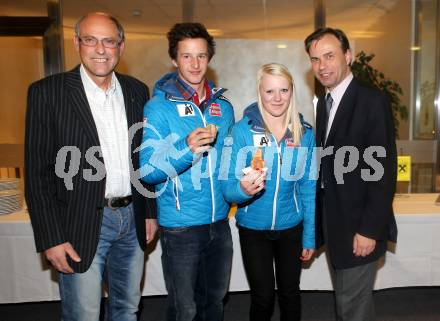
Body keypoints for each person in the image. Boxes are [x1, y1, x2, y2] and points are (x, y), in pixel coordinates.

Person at [25, 12, 157, 321]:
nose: (101, 49)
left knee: (127, 309)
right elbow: (37, 173)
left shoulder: (137, 91)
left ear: (121, 47)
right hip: (79, 224)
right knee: (83, 314)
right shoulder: (47, 93)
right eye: (91, 40)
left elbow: (144, 157)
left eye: (109, 41)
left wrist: (149, 212)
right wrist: (51, 237)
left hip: (131, 219)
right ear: (77, 43)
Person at [139, 23, 235, 321]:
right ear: (174, 59)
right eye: (186, 56)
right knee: (186, 310)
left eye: (201, 56)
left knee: (215, 303)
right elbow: (148, 170)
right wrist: (187, 147)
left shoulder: (224, 106)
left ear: (209, 59)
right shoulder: (158, 107)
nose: (195, 64)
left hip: (219, 223)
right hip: (180, 227)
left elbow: (231, 163)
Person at [304, 28, 397, 321]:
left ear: (348, 56)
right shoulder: (326, 105)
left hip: (360, 228)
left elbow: (382, 172)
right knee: (348, 306)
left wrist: (369, 229)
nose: (322, 66)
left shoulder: (371, 101)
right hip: (336, 227)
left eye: (329, 56)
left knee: (351, 309)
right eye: (315, 59)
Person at [222, 63, 316, 321]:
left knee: (290, 294)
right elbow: (228, 188)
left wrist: (309, 236)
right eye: (270, 91)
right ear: (259, 92)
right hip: (254, 229)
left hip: (291, 228)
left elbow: (308, 187)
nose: (277, 98)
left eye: (283, 90)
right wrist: (242, 190)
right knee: (262, 297)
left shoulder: (304, 133)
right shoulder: (241, 131)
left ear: (292, 92)